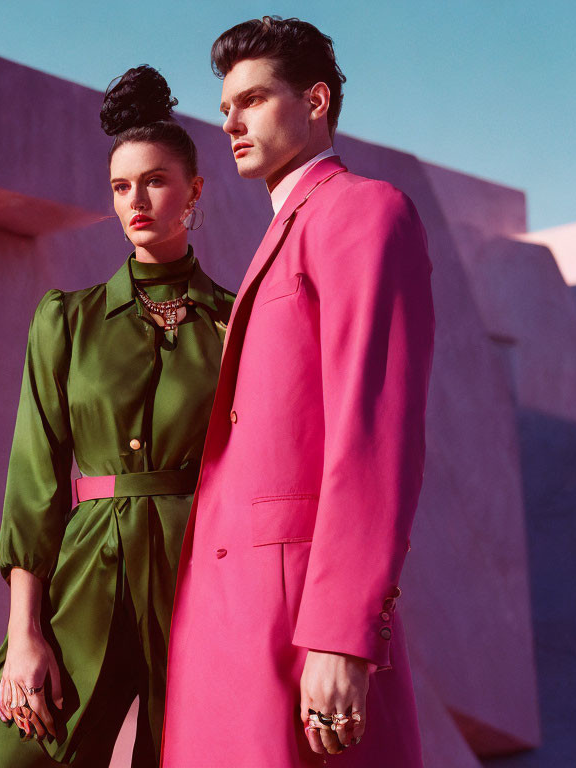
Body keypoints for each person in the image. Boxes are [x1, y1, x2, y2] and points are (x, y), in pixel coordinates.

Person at [161, 17, 435, 768]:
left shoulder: (362, 212)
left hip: (297, 623)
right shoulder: (279, 236)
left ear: (315, 101)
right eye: (225, 110)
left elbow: (373, 432)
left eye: (252, 100)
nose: (232, 122)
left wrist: (342, 635)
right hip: (230, 620)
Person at [0, 65, 235, 768]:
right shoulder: (67, 320)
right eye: (120, 186)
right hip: (88, 570)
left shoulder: (240, 322)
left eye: (156, 180)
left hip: (202, 578)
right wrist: (25, 632)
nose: (137, 199)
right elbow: (33, 480)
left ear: (195, 190)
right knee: (6, 751)